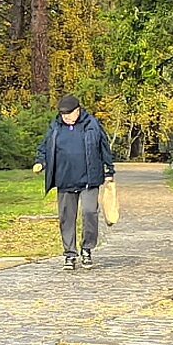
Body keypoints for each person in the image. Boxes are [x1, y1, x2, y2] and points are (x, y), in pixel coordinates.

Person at [38, 97, 115, 269]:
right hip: (65, 179)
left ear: (78, 110)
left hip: (89, 179)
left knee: (89, 213)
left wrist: (109, 170)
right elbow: (44, 147)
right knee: (66, 218)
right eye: (63, 114)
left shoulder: (92, 125)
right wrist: (41, 161)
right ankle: (70, 254)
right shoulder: (56, 127)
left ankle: (87, 248)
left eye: (69, 114)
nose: (66, 117)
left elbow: (104, 148)